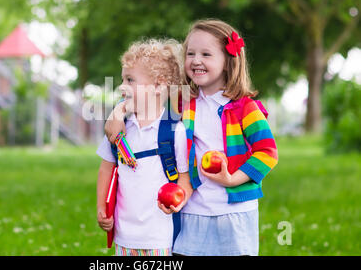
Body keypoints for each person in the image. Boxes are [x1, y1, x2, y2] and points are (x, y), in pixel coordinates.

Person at [104, 19, 278, 256]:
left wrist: (232, 179)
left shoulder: (245, 108)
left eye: (206, 54)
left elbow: (267, 152)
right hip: (192, 209)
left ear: (228, 62)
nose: (196, 60)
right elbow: (144, 100)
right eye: (191, 53)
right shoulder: (183, 102)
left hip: (234, 210)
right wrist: (118, 112)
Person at [96, 39, 192, 256]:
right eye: (122, 79)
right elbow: (106, 168)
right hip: (124, 235)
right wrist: (102, 207)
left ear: (158, 86)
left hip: (160, 235)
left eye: (130, 80)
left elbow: (185, 177)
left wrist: (180, 198)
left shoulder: (174, 132)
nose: (122, 86)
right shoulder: (117, 130)